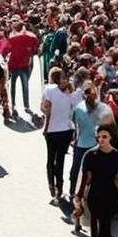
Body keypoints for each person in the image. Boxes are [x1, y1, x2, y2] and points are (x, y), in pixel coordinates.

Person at [77, 126, 118, 237]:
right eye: (99, 137)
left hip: (110, 195)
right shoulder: (90, 155)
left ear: (110, 138)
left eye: (104, 136)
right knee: (95, 228)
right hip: (94, 194)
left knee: (106, 229)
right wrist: (77, 197)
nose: (101, 139)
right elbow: (84, 176)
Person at [68, 80, 111, 208]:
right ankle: (72, 194)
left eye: (91, 93)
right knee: (75, 171)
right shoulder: (78, 109)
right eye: (86, 93)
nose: (89, 96)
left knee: (100, 172)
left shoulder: (102, 109)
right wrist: (73, 139)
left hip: (97, 145)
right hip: (81, 145)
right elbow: (73, 125)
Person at [40, 68, 76, 201]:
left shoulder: (70, 93)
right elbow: (44, 108)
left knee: (59, 160)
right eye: (62, 78)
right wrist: (46, 123)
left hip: (65, 130)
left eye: (66, 79)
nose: (65, 81)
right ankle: (51, 183)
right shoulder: (50, 90)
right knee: (51, 158)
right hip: (52, 130)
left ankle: (59, 186)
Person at [4, 20, 40, 114]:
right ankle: (26, 105)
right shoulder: (31, 37)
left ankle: (13, 104)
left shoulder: (13, 37)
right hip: (24, 64)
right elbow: (34, 48)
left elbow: (7, 49)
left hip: (15, 64)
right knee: (25, 86)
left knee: (13, 86)